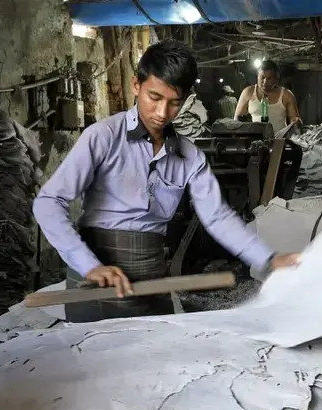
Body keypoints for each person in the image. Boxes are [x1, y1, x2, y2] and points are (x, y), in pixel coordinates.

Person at [33, 40, 299, 323]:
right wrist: (89, 266)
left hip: (151, 280)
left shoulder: (190, 157)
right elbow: (48, 203)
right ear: (136, 85)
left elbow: (218, 217)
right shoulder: (103, 137)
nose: (162, 113)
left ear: (186, 99)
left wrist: (268, 259)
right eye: (154, 97)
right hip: (94, 284)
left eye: (174, 103)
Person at [234, 60, 301, 132]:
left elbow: (294, 119)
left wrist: (296, 122)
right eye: (262, 77)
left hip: (279, 139)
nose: (265, 82)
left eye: (269, 78)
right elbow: (237, 119)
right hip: (255, 140)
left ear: (276, 78)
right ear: (257, 76)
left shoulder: (286, 95)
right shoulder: (248, 92)